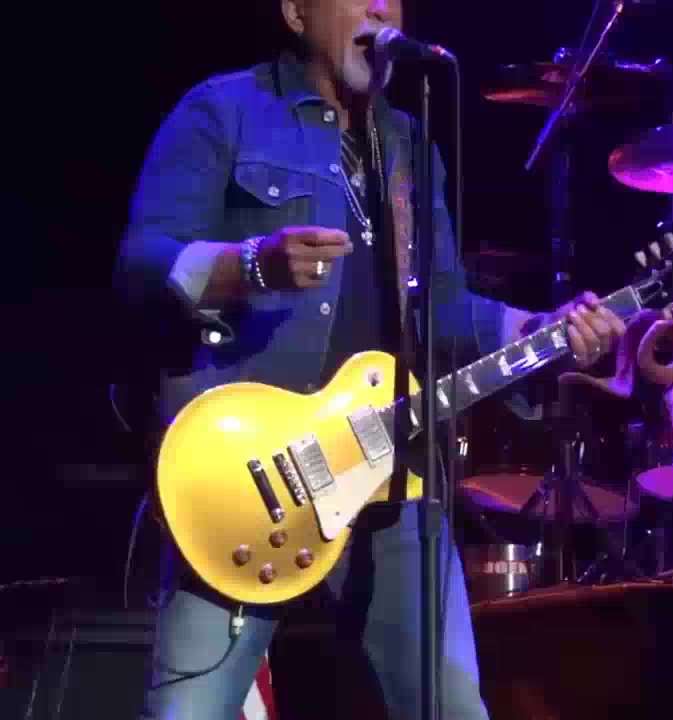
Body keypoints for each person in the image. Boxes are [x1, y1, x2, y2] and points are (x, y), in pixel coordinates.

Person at [112, 1, 625, 718]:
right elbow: (141, 265)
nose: (381, 6)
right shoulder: (224, 111)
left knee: (452, 707)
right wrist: (251, 265)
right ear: (297, 13)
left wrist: (536, 328)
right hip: (252, 480)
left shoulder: (410, 146)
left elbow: (441, 310)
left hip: (392, 473)